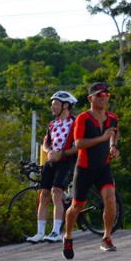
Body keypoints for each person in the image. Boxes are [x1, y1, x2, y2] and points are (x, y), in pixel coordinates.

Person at [63, 82, 120, 258]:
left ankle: (107, 237)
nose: (104, 98)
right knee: (77, 206)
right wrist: (102, 138)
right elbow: (79, 143)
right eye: (100, 95)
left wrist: (114, 147)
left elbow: (115, 134)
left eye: (106, 95)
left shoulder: (112, 117)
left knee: (111, 199)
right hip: (85, 168)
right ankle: (68, 235)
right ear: (90, 98)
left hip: (103, 167)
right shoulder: (83, 118)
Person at [30, 91, 79, 244]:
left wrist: (62, 153)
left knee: (56, 192)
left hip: (67, 161)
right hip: (51, 161)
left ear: (65, 106)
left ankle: (56, 231)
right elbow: (46, 143)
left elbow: (80, 145)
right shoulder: (52, 124)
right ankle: (39, 232)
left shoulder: (75, 122)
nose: (53, 108)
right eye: (52, 105)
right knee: (43, 194)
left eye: (55, 104)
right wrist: (49, 151)